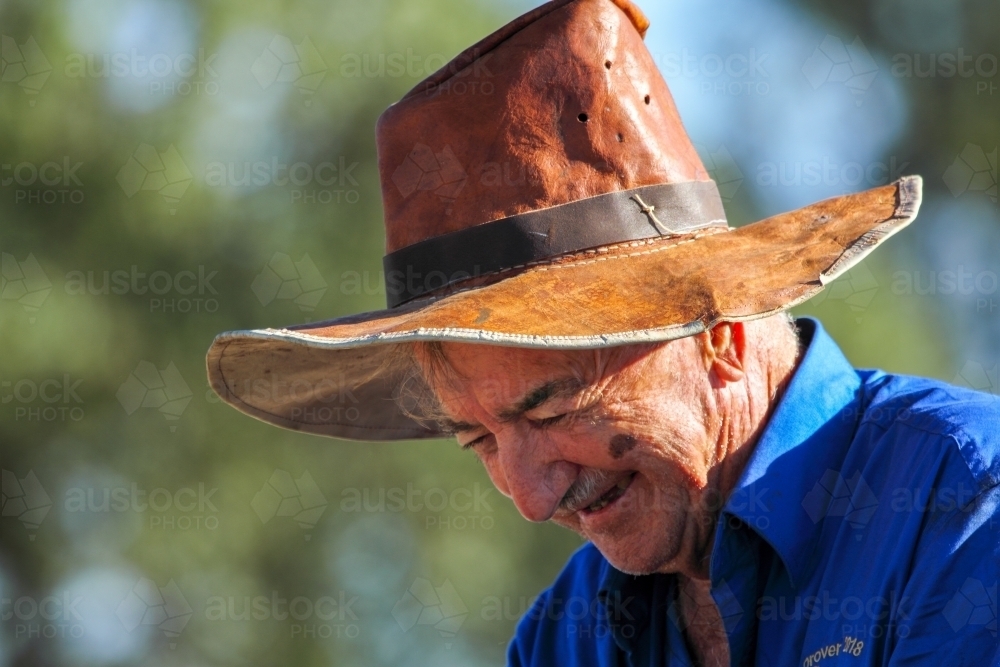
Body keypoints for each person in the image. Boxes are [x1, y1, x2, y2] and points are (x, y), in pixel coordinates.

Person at [208, 1, 999, 664]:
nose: (528, 495)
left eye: (550, 413)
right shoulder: (566, 636)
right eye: (479, 440)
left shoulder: (966, 506)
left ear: (717, 331)